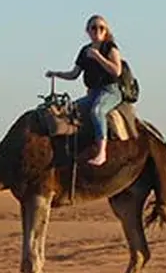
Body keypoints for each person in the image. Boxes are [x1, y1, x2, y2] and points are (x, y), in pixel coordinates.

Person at [44, 14, 123, 166]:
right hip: (92, 92)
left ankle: (102, 153)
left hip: (110, 91)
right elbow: (74, 74)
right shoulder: (84, 51)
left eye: (101, 27)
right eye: (94, 27)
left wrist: (98, 57)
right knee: (69, 111)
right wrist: (56, 74)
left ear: (106, 31)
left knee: (97, 111)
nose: (97, 30)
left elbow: (116, 71)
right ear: (88, 31)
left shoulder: (110, 47)